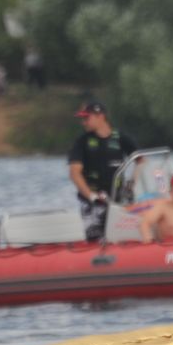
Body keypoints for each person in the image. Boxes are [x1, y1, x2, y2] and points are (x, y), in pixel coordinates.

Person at [66, 100, 137, 242]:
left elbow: (141, 161)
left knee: (125, 236)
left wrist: (131, 184)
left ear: (100, 116)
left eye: (87, 118)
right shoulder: (82, 142)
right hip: (93, 202)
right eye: (82, 119)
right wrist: (91, 196)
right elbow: (74, 173)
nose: (83, 122)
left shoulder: (121, 138)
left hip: (117, 199)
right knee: (97, 237)